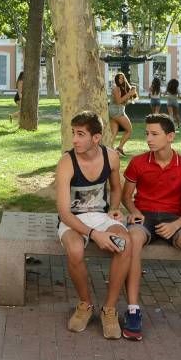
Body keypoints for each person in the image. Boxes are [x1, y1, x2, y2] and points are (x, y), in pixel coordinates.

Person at [121, 113, 181, 346]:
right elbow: (126, 197)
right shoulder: (138, 163)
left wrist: (175, 225)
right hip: (144, 218)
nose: (149, 139)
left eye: (155, 134)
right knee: (132, 238)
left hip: (174, 220)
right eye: (147, 134)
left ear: (170, 136)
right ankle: (133, 310)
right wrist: (133, 211)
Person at [55, 110, 131, 339]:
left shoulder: (111, 157)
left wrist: (115, 209)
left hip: (101, 216)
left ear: (96, 138)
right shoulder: (67, 162)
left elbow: (116, 188)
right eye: (73, 134)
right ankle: (85, 304)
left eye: (80, 134)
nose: (74, 140)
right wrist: (93, 234)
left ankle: (109, 309)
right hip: (73, 221)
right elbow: (64, 212)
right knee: (76, 249)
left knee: (124, 243)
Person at [108, 72, 136, 156]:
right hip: (117, 112)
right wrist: (129, 94)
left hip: (115, 111)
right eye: (120, 78)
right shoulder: (116, 88)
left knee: (114, 132)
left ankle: (109, 150)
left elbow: (123, 103)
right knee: (129, 130)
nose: (121, 79)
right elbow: (118, 101)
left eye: (123, 78)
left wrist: (132, 94)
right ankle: (119, 148)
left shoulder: (121, 88)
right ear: (116, 79)